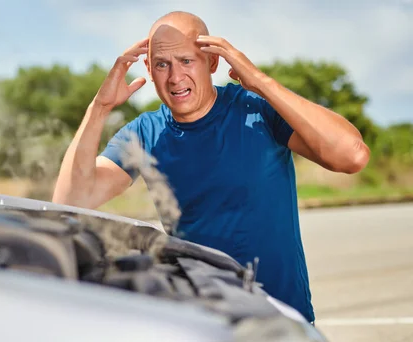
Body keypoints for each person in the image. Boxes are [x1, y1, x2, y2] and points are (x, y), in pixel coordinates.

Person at [52, 11, 370, 323]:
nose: (175, 77)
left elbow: (351, 157)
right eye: (162, 64)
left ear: (212, 61)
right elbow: (69, 203)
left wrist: (260, 82)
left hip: (280, 316)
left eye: (186, 61)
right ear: (148, 68)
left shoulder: (256, 110)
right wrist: (100, 107)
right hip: (202, 320)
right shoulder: (145, 133)